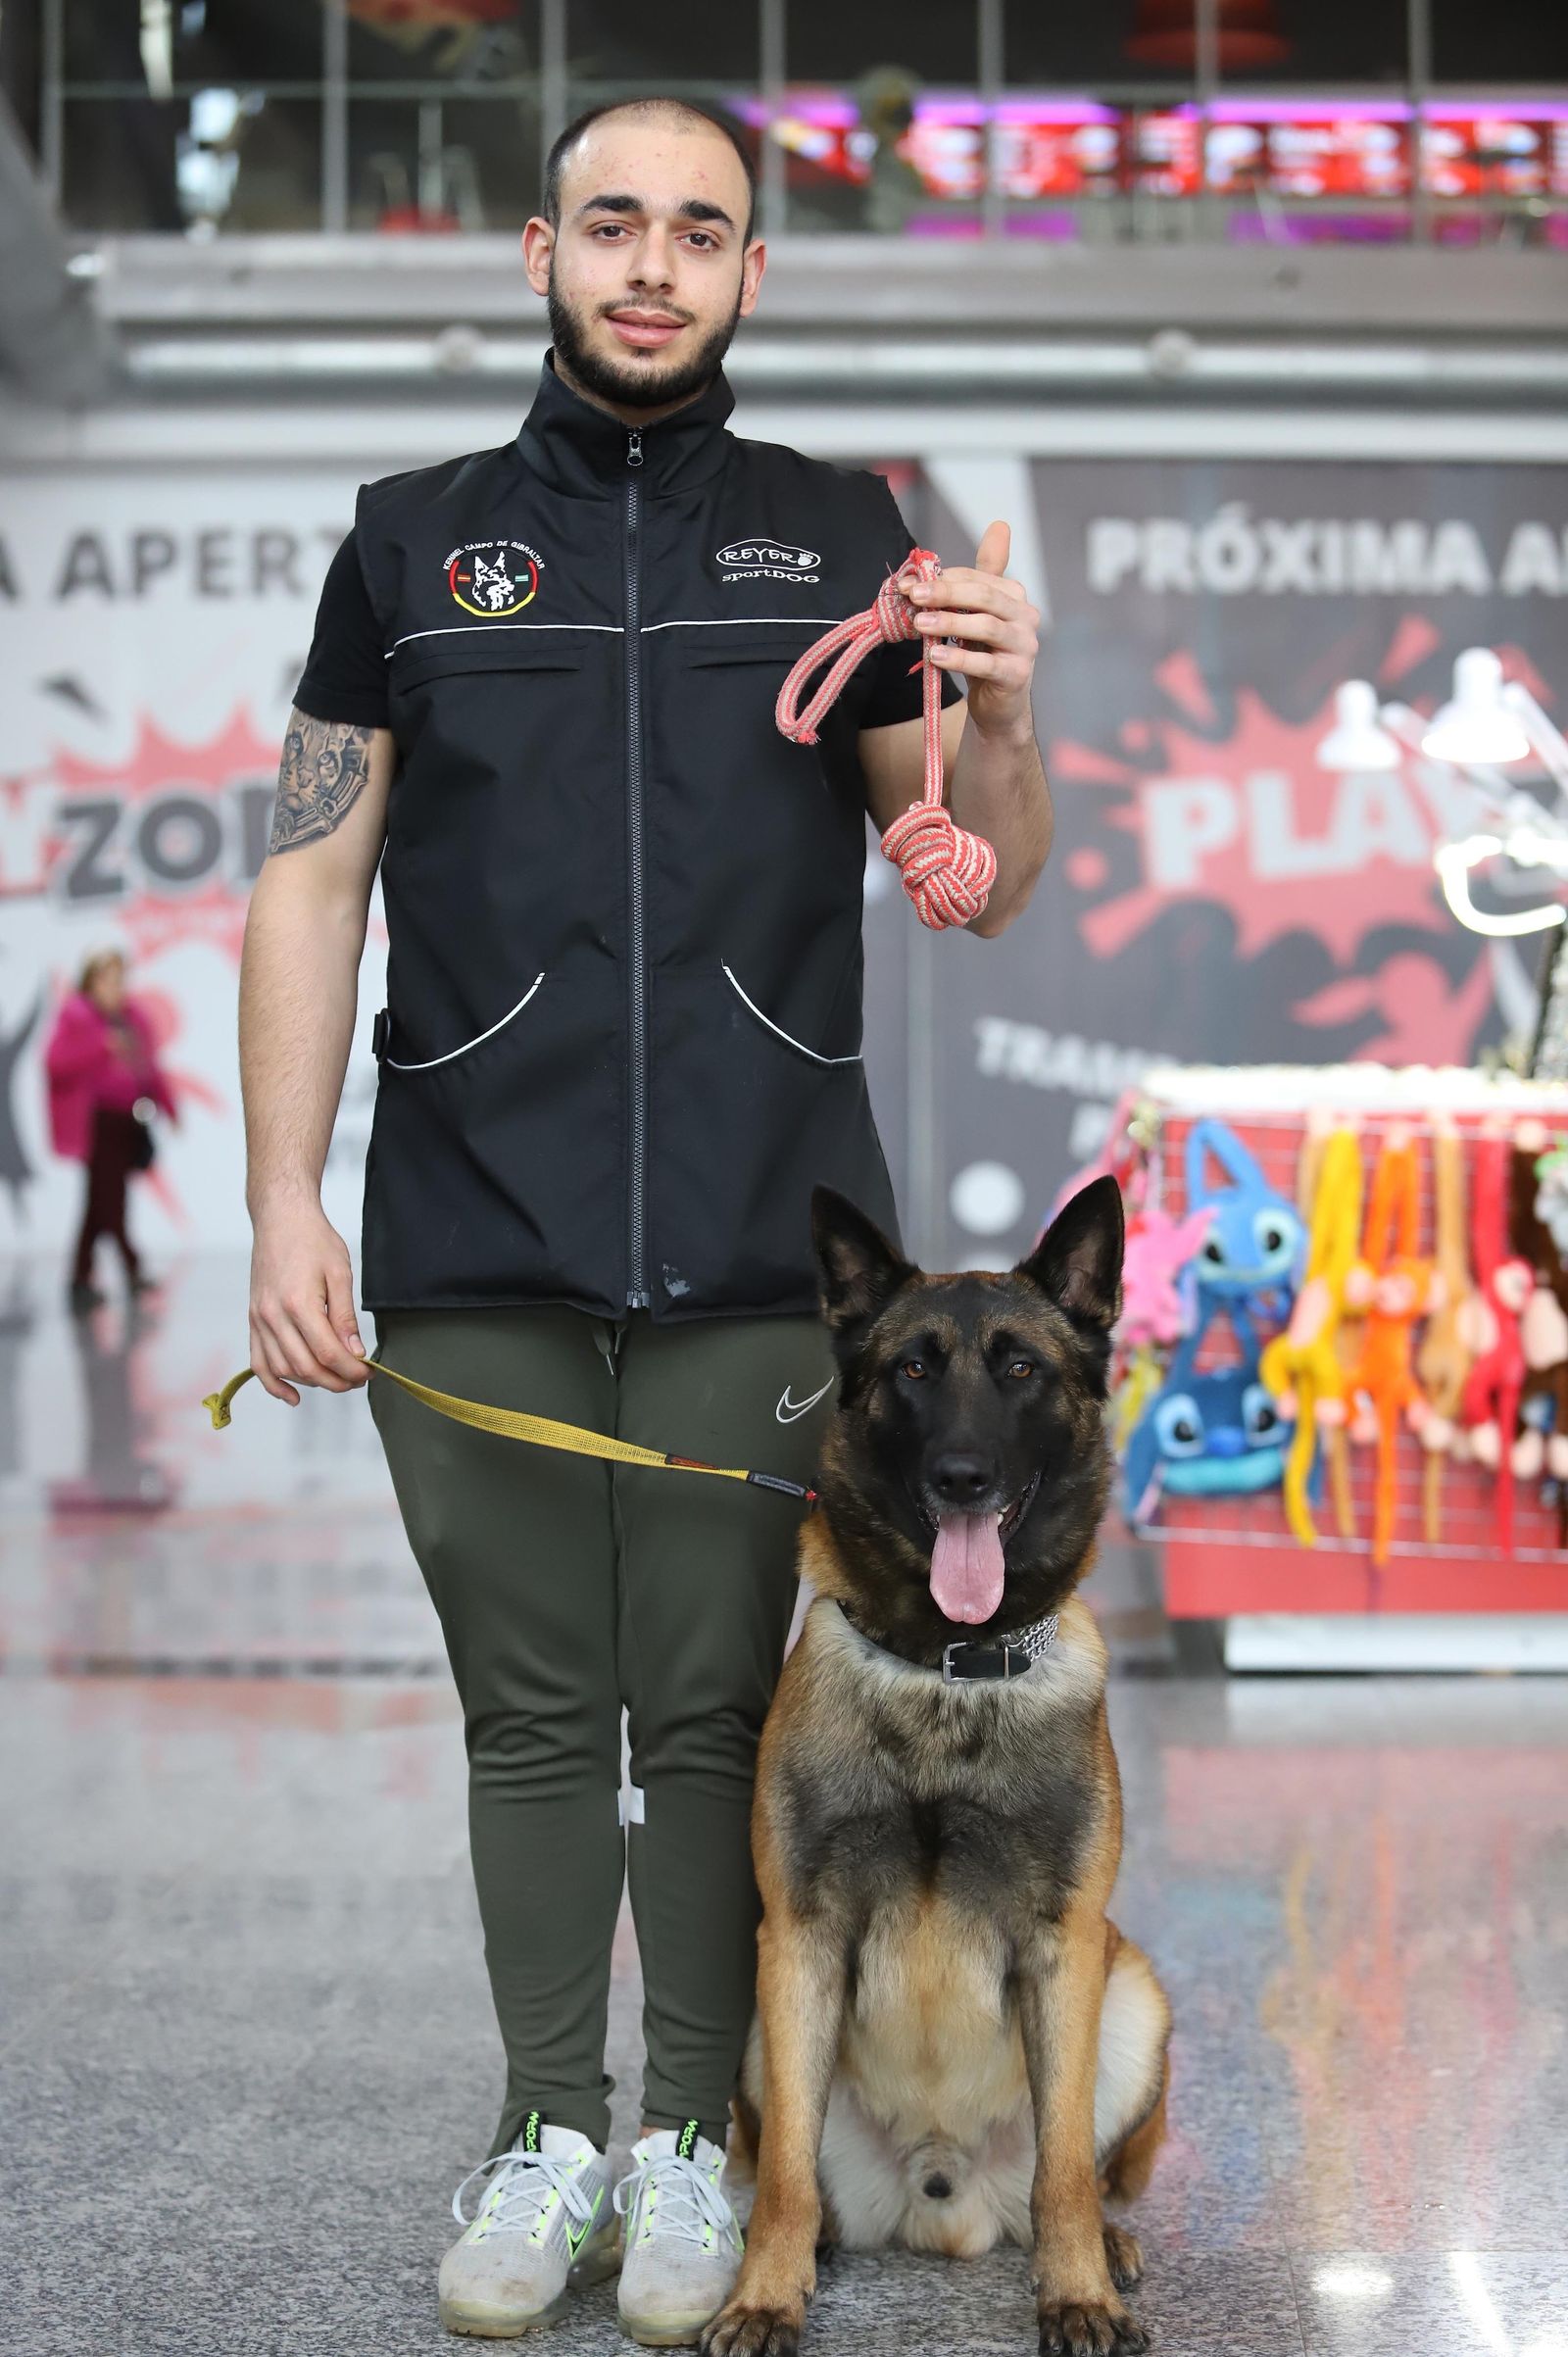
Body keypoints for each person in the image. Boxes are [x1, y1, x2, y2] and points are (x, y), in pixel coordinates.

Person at [237, 95, 1050, 2348]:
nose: (654, 263)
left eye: (702, 229)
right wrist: (278, 1199)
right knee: (525, 1712)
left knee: (704, 1718)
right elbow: (310, 877)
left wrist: (1006, 704)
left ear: (750, 275)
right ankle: (544, 2127)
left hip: (758, 1252)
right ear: (539, 252)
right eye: (614, 222)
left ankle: (692, 2134)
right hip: (465, 1236)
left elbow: (980, 873)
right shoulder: (408, 549)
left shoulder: (839, 541)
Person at [45, 948, 176, 1313]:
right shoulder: (77, 1016)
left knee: (98, 1204)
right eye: (107, 978)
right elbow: (56, 1063)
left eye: (120, 978)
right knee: (110, 1201)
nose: (116, 986)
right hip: (97, 1122)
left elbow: (149, 1068)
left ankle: (80, 1279)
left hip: (127, 1122)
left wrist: (167, 1105)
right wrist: (99, 1046)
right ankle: (130, 1269)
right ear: (90, 982)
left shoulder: (132, 1018)